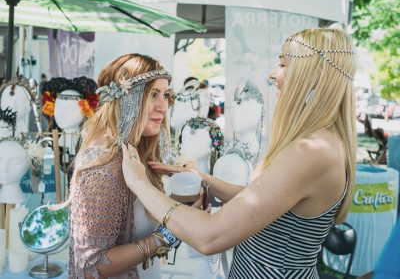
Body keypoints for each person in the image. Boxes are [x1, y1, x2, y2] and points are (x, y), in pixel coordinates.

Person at [121, 28, 357, 278]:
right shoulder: (317, 142)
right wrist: (201, 178)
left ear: (315, 75)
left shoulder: (310, 152)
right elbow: (262, 202)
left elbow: (210, 236)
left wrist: (139, 184)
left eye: (283, 64)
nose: (273, 74)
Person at [65, 53, 182, 279]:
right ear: (127, 98)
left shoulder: (133, 151)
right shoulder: (103, 167)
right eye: (153, 95)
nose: (163, 107)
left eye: (165, 95)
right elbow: (92, 267)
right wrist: (167, 235)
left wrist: (182, 206)